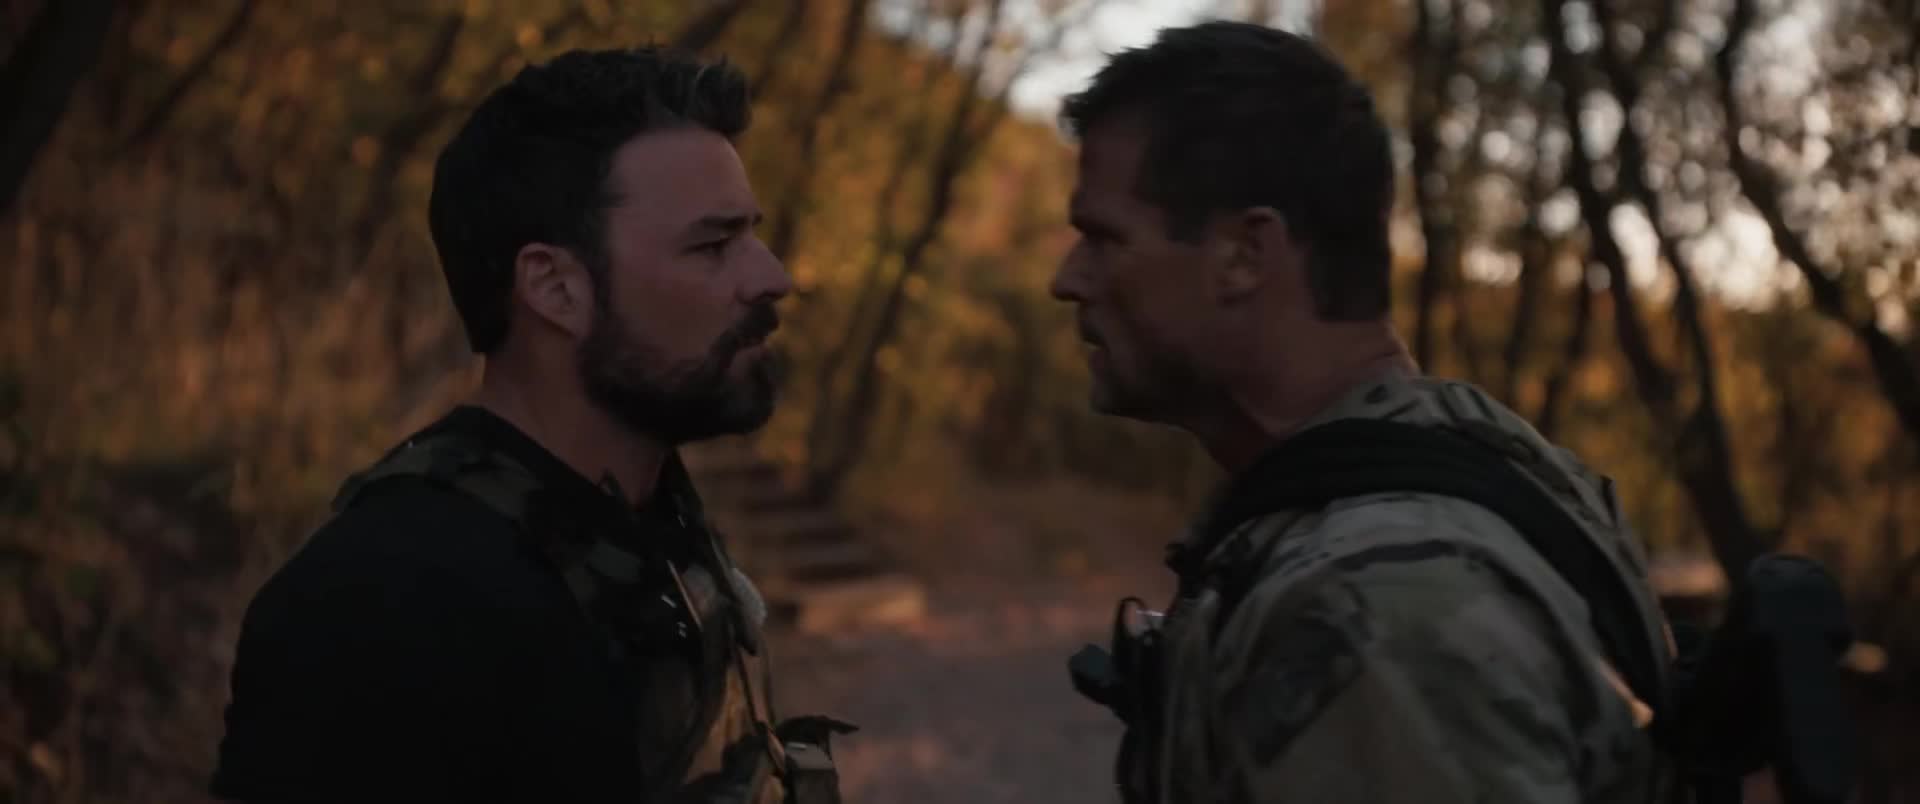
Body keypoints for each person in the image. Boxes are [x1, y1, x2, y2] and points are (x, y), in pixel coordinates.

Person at [1049, 21, 1679, 804]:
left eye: (1103, 239)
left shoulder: (1378, 609)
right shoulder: (1482, 461)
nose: (1067, 280)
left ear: (1244, 255)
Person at [211, 47, 850, 804]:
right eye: (714, 245)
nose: (773, 276)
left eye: (752, 236)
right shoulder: (383, 601)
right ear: (555, 288)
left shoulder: (651, 527)